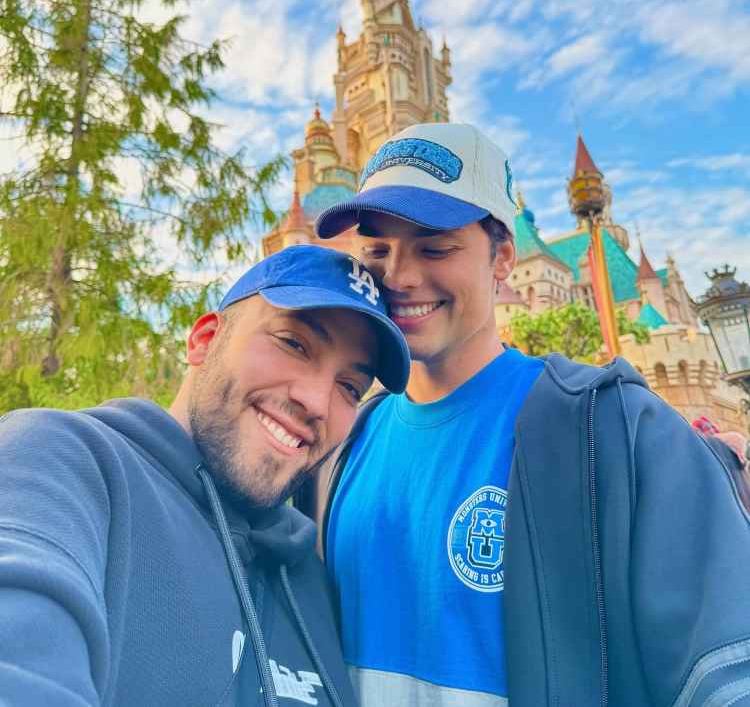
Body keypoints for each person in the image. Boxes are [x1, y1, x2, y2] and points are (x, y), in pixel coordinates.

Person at [315, 122, 750, 707]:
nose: (400, 276)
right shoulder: (341, 446)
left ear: (504, 260)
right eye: (376, 251)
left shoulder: (613, 429)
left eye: (435, 247)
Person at [0, 244, 409, 707]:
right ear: (205, 340)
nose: (316, 402)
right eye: (294, 344)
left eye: (350, 386)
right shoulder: (60, 462)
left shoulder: (308, 577)